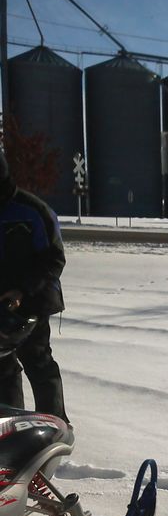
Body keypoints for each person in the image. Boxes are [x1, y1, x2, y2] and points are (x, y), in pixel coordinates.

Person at [0, 149, 68, 422]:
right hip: (3, 302)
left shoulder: (32, 210)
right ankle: (10, 427)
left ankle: (55, 424)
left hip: (34, 298)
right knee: (3, 366)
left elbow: (54, 259)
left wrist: (23, 290)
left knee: (38, 361)